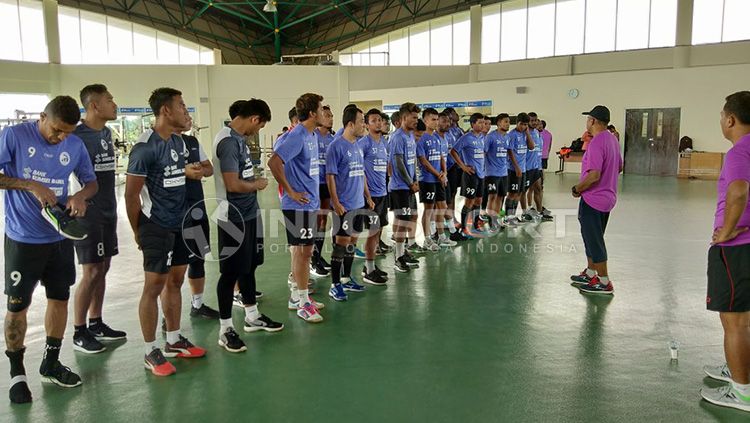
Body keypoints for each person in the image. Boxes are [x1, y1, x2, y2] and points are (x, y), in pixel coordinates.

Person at [2, 96, 97, 403]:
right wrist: (29, 184)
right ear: (42, 117)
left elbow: (91, 182)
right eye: (56, 130)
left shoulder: (74, 145)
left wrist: (81, 196)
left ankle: (51, 362)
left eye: (67, 132)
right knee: (18, 306)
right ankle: (17, 372)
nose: (61, 138)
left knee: (59, 299)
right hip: (22, 238)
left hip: (58, 237)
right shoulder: (14, 136)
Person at [125, 88, 206, 378]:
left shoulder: (178, 143)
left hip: (180, 221)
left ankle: (173, 339)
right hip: (155, 224)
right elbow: (132, 196)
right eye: (182, 106)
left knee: (176, 280)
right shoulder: (144, 147)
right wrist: (139, 233)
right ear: (166, 111)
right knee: (154, 285)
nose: (186, 111)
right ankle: (150, 350)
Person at [213, 99, 282, 353]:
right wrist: (257, 185)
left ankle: (252, 316)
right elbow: (232, 184)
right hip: (233, 218)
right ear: (254, 119)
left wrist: (252, 183)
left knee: (249, 265)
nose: (259, 130)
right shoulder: (228, 142)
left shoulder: (239, 139)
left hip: (249, 213)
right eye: (260, 125)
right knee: (230, 272)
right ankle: (225, 329)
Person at [700, 91, 750, 413]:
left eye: (721, 116)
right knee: (743, 320)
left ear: (730, 119)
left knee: (734, 322)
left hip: (736, 249)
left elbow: (739, 189)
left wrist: (729, 230)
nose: (721, 121)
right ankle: (739, 370)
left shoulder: (737, 154)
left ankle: (742, 392)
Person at [71, 85, 127, 355]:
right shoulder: (76, 136)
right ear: (94, 106)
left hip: (108, 209)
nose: (114, 104)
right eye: (109, 100)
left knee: (103, 268)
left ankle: (96, 321)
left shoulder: (106, 132)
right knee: (91, 271)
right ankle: (79, 331)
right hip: (87, 215)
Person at [268, 93, 326, 323]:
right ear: (312, 113)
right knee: (303, 253)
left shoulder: (310, 135)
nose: (324, 113)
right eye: (321, 109)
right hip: (297, 205)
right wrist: (290, 191)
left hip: (309, 203)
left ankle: (297, 296)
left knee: (303, 252)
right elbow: (273, 162)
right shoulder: (298, 135)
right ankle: (303, 303)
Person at [570, 105, 623, 295]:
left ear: (592, 121)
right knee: (593, 237)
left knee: (594, 240)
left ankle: (604, 281)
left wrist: (578, 188)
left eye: (588, 119)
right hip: (608, 197)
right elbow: (619, 167)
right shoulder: (612, 140)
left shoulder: (596, 142)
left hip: (593, 199)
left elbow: (594, 175)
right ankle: (591, 272)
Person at [326, 105, 372, 301]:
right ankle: (335, 284)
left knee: (353, 241)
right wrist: (335, 203)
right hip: (343, 205)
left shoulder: (358, 145)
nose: (364, 125)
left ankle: (346, 278)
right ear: (351, 123)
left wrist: (367, 196)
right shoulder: (336, 146)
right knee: (341, 244)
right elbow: (330, 177)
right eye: (362, 121)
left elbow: (360, 173)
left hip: (358, 203)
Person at [180, 118, 220, 320]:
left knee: (198, 258)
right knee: (173, 267)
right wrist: (183, 172)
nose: (189, 118)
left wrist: (199, 171)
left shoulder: (192, 143)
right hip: (173, 214)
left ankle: (197, 304)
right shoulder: (157, 144)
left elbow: (209, 168)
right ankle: (168, 315)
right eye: (184, 110)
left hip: (197, 209)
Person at [358, 109, 390, 285]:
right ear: (367, 124)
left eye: (380, 120)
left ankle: (369, 265)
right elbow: (360, 171)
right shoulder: (364, 143)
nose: (378, 123)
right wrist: (367, 196)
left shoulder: (384, 143)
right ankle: (368, 271)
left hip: (383, 193)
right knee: (371, 233)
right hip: (371, 196)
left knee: (377, 232)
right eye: (374, 120)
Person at [389, 103, 421, 273]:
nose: (416, 120)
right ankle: (398, 257)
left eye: (417, 117)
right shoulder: (397, 137)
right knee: (402, 222)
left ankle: (403, 253)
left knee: (408, 219)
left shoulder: (410, 136)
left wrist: (415, 180)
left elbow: (412, 160)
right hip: (399, 187)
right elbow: (398, 163)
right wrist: (410, 182)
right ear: (403, 118)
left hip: (409, 185)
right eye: (413, 117)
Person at [416, 109, 453, 250]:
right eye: (433, 119)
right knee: (429, 209)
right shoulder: (421, 139)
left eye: (437, 119)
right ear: (425, 121)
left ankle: (441, 236)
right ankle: (427, 239)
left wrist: (444, 173)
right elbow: (424, 161)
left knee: (442, 206)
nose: (436, 122)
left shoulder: (437, 138)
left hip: (439, 179)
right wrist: (438, 174)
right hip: (427, 180)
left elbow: (442, 157)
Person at [451, 113, 487, 238]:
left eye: (483, 122)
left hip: (481, 175)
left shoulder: (482, 137)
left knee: (479, 200)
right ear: (472, 124)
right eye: (480, 122)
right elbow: (453, 151)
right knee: (469, 202)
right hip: (470, 175)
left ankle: (476, 225)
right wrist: (463, 166)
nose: (483, 125)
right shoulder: (466, 138)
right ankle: (464, 228)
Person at [311, 106, 335, 277]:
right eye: (327, 115)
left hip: (327, 183)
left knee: (323, 222)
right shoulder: (313, 136)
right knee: (314, 221)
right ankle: (312, 259)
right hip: (314, 184)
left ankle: (318, 256)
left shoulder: (333, 139)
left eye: (331, 115)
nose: (330, 118)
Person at [483, 113, 511, 231]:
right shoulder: (491, 137)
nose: (507, 124)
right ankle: (491, 220)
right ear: (498, 123)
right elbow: (483, 153)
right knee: (492, 196)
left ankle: (497, 218)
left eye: (509, 122)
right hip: (491, 173)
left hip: (503, 172)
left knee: (500, 196)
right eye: (505, 121)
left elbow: (508, 153)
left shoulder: (507, 137)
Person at [504, 113, 533, 224]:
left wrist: (527, 133)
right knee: (512, 193)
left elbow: (531, 147)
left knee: (520, 193)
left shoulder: (525, 134)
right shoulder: (512, 135)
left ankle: (513, 216)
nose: (523, 127)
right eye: (521, 124)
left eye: (525, 125)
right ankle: (507, 217)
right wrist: (516, 167)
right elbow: (510, 152)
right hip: (513, 169)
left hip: (523, 168)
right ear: (517, 122)